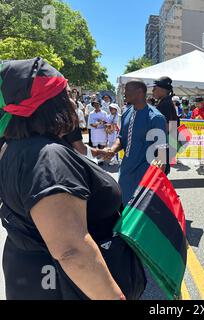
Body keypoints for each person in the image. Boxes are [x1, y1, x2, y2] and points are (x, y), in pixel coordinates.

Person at [0, 58, 146, 300]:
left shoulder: (14, 147)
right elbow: (72, 251)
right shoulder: (48, 157)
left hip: (34, 278)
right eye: (66, 95)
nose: (73, 102)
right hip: (65, 287)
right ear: (49, 104)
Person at [102, 79, 167, 206]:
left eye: (127, 90)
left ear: (139, 92)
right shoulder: (127, 112)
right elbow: (122, 137)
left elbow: (162, 151)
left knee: (139, 212)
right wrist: (112, 149)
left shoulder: (155, 118)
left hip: (144, 174)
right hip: (126, 172)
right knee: (123, 208)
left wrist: (158, 176)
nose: (124, 93)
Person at [152, 76, 179, 175]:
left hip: (162, 145)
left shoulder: (165, 104)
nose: (153, 90)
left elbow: (167, 128)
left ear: (163, 90)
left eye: (155, 88)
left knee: (158, 176)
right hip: (164, 144)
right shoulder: (165, 102)